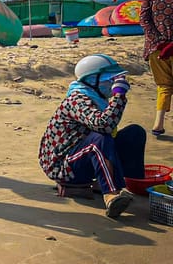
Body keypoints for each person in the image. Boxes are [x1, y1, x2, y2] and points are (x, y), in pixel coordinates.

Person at [39, 54, 146, 216]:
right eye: (108, 80)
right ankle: (110, 195)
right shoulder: (78, 99)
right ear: (91, 80)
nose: (111, 84)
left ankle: (133, 185)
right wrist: (118, 96)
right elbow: (104, 125)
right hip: (62, 167)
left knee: (134, 133)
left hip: (81, 155)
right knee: (100, 139)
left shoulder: (97, 98)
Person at [141, 0, 173, 136]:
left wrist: (158, 40)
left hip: (156, 49)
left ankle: (158, 124)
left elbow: (144, 20)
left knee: (164, 86)